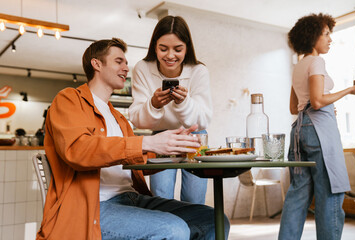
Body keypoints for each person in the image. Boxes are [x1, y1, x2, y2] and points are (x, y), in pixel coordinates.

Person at [36, 38, 229, 240]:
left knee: (213, 219)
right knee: (172, 229)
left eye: (126, 63)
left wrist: (172, 149)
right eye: (119, 61)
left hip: (132, 199)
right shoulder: (69, 99)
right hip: (93, 207)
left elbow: (133, 160)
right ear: (96, 64)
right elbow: (78, 149)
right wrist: (147, 142)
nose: (126, 68)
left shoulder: (118, 118)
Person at [278, 13, 355, 240]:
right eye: (325, 34)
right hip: (319, 131)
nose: (330, 39)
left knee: (297, 195)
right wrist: (350, 91)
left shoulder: (298, 65)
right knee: (330, 191)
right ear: (312, 36)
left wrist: (324, 104)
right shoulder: (316, 62)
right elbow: (316, 101)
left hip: (299, 131)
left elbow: (295, 107)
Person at [129, 15, 212, 204]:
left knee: (194, 198)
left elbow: (204, 119)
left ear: (187, 48)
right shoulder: (142, 68)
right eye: (163, 48)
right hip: (161, 135)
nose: (170, 56)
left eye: (178, 49)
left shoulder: (199, 71)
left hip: (194, 135)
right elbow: (136, 118)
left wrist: (183, 103)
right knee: (160, 195)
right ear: (154, 46)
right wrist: (154, 104)